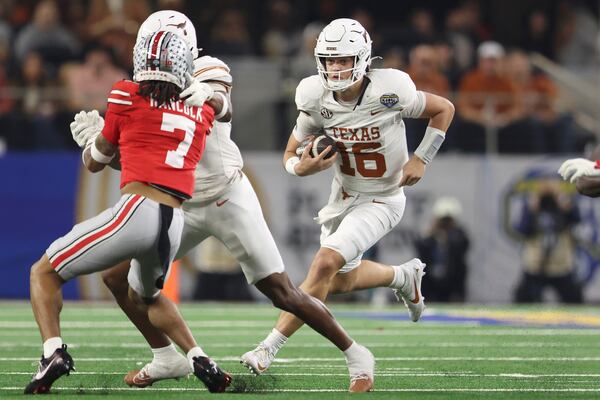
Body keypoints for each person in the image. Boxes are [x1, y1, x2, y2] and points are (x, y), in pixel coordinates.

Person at [94, 11, 375, 393]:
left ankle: (356, 352)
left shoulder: (207, 70)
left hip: (227, 196)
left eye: (164, 46)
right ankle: (164, 356)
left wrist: (208, 95)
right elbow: (133, 168)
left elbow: (224, 104)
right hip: (179, 205)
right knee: (116, 277)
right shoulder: (140, 93)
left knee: (282, 293)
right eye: (149, 47)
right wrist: (98, 148)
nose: (155, 56)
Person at [240, 18, 455, 380]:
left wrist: (422, 157)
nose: (336, 68)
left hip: (384, 198)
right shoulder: (313, 96)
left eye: (343, 60)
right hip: (341, 198)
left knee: (323, 264)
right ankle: (403, 277)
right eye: (329, 60)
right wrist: (300, 168)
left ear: (363, 58)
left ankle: (268, 347)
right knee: (336, 281)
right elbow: (291, 152)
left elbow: (443, 108)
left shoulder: (391, 88)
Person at [25, 31, 232, 394]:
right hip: (173, 222)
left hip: (137, 210)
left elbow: (96, 161)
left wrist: (92, 141)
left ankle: (52, 353)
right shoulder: (201, 111)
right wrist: (212, 96)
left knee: (43, 273)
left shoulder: (125, 92)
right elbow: (206, 115)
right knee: (144, 295)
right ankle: (198, 357)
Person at [513, 179, 583, 303]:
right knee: (523, 300)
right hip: (535, 264)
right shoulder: (533, 206)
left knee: (574, 299)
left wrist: (560, 196)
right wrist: (533, 204)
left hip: (561, 264)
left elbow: (576, 218)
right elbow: (522, 229)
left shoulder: (562, 204)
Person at [416, 197, 470, 302]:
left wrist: (449, 235)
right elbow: (420, 248)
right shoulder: (430, 235)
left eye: (448, 220)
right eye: (443, 220)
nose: (445, 223)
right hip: (430, 283)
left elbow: (462, 248)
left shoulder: (459, 235)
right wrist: (432, 232)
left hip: (453, 283)